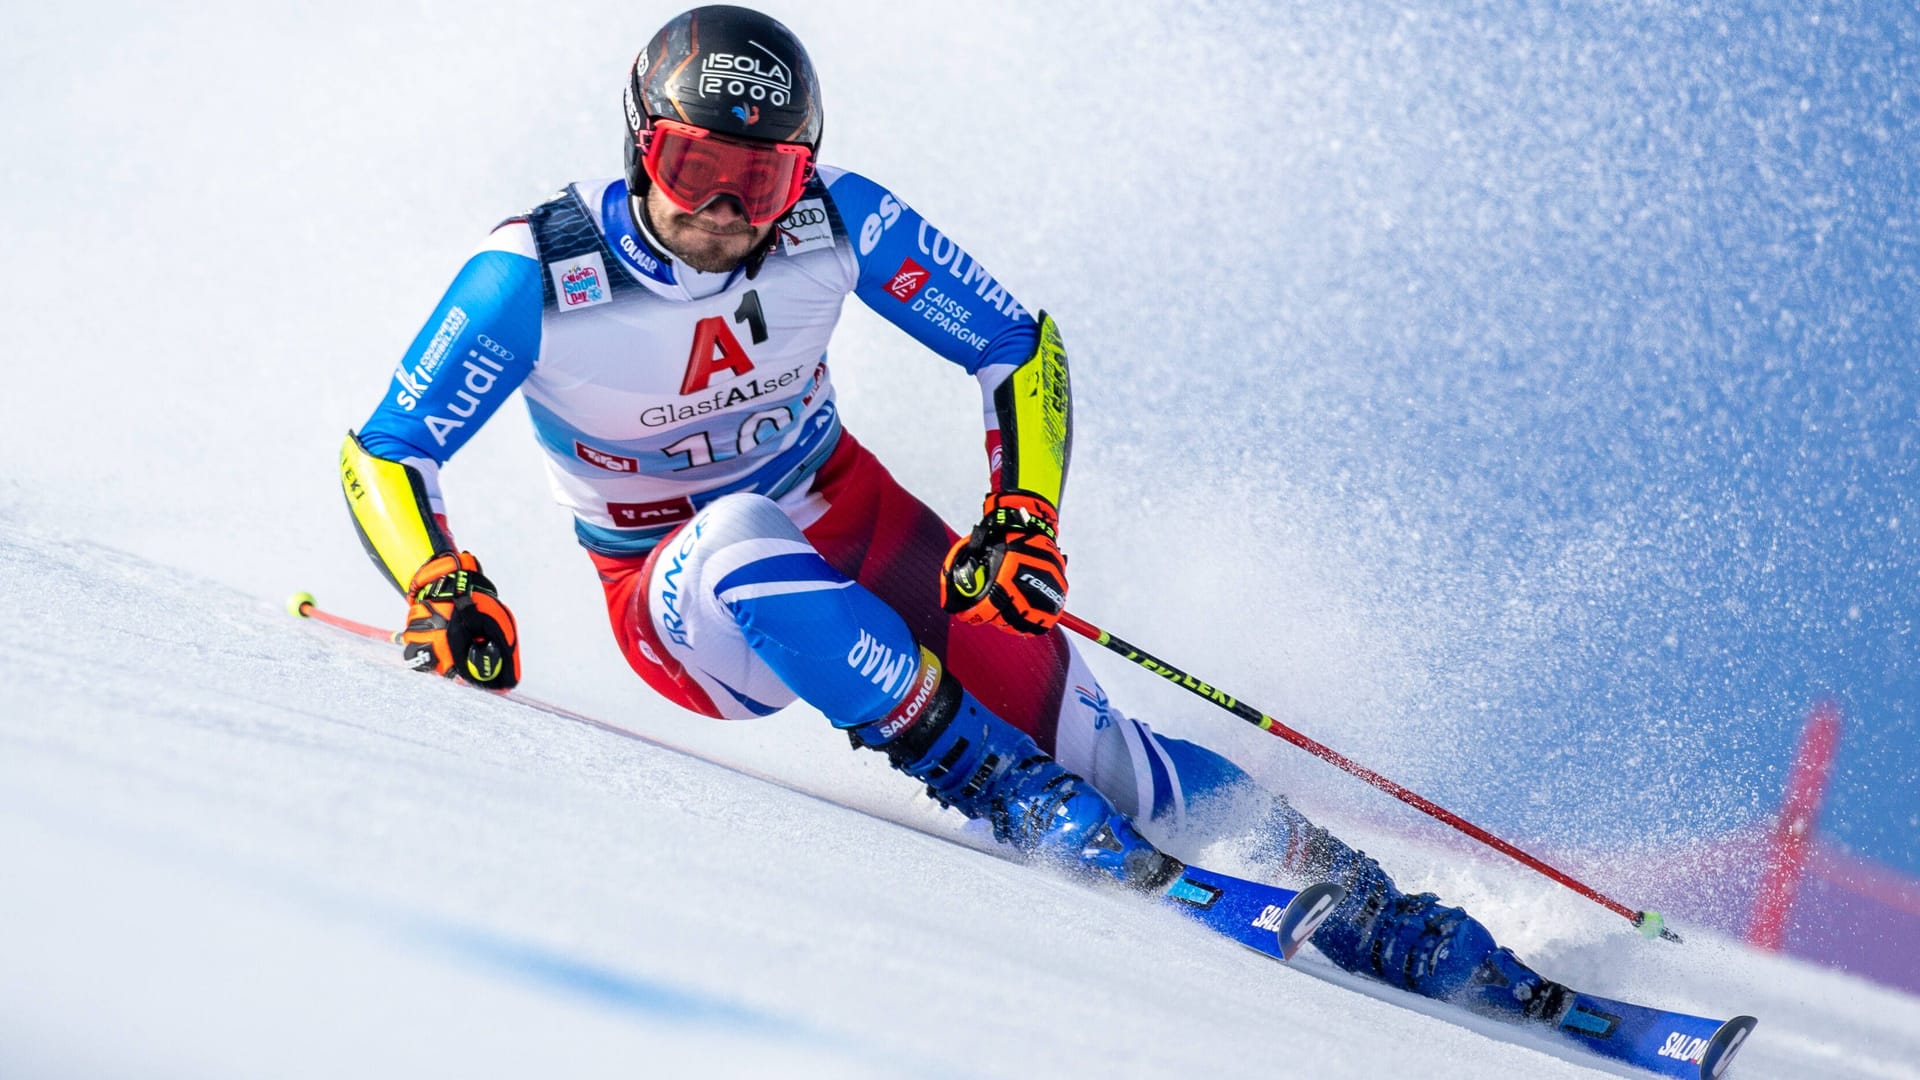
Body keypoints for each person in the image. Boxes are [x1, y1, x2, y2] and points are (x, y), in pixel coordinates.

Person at [339, 4, 1561, 1020]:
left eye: (759, 177)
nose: (724, 209)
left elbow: (1020, 350)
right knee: (732, 537)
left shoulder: (840, 223)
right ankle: (990, 782)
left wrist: (1020, 514)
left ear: (800, 174)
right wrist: (439, 582)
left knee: (1103, 749)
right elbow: (387, 449)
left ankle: (1376, 907)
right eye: (691, 167)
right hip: (679, 600)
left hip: (860, 526)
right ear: (638, 149)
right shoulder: (536, 276)